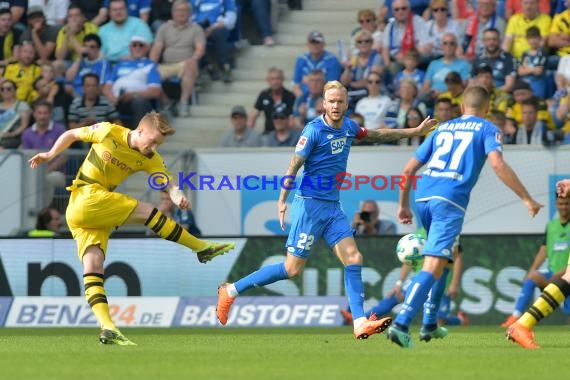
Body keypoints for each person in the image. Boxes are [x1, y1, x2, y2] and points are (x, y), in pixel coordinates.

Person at [215, 80, 438, 340]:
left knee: (354, 259)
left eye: (340, 101)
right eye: (331, 101)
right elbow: (293, 165)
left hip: (332, 208)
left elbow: (377, 134)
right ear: (323, 103)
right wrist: (281, 199)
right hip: (309, 206)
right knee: (291, 269)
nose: (335, 105)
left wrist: (414, 132)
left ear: (346, 104)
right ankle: (230, 290)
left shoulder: (349, 127)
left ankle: (359, 322)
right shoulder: (313, 131)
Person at [28, 111, 235, 345]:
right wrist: (50, 153)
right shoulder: (108, 131)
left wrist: (177, 196)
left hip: (86, 214)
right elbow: (72, 133)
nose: (154, 146)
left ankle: (107, 327)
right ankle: (200, 247)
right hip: (87, 195)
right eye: (153, 140)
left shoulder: (149, 157)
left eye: (159, 143)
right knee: (148, 212)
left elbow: (168, 182)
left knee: (94, 266)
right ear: (139, 130)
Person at [387, 86, 543, 348]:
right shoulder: (487, 128)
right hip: (449, 201)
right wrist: (526, 198)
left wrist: (403, 204)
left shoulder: (442, 129)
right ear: (487, 109)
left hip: (423, 197)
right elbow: (497, 164)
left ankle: (429, 324)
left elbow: (408, 169)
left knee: (447, 257)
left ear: (461, 107)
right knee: (433, 265)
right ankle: (401, 323)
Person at [506, 181, 570, 349]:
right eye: (561, 202)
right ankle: (519, 321)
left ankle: (522, 324)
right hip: (553, 273)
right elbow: (544, 248)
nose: (564, 206)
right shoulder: (552, 226)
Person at [149, 0, 206, 118]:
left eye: (185, 10)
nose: (181, 13)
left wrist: (194, 58)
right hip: (166, 65)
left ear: (190, 13)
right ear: (173, 12)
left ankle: (183, 103)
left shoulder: (196, 28)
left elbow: (200, 48)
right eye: (178, 10)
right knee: (149, 72)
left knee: (191, 64)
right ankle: (167, 103)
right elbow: (157, 48)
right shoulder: (164, 27)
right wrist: (151, 64)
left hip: (185, 64)